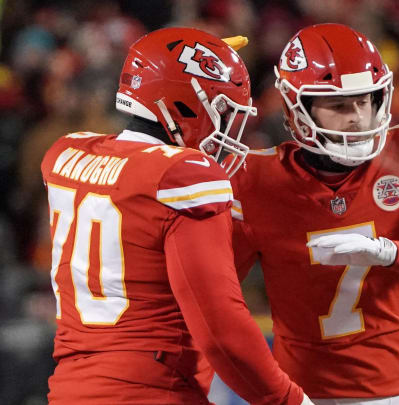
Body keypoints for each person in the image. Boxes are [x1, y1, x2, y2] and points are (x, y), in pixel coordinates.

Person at [41, 27, 312, 405]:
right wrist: (290, 400)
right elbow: (220, 330)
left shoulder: (67, 153)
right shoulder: (184, 175)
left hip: (69, 389)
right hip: (153, 390)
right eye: (223, 112)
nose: (229, 129)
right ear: (185, 105)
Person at [229, 23, 399, 405]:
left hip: (392, 391)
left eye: (364, 101)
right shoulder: (256, 180)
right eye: (337, 105)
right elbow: (219, 298)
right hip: (297, 392)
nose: (356, 117)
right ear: (297, 109)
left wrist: (388, 253)